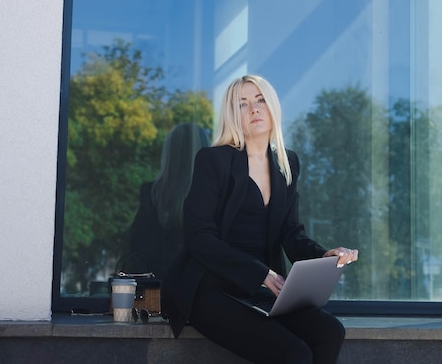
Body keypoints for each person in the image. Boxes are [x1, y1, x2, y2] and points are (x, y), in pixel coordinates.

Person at [161, 74, 359, 364]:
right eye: (243, 104)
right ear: (233, 115)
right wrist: (260, 273)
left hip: (260, 288)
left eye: (260, 100)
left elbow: (291, 232)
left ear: (272, 106)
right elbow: (198, 236)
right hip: (209, 289)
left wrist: (324, 255)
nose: (254, 109)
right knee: (293, 354)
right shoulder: (213, 160)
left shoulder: (286, 163)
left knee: (330, 332)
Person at [129, 122, 209, 279]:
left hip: (152, 297)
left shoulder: (150, 197)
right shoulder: (212, 201)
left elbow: (136, 255)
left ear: (168, 154)